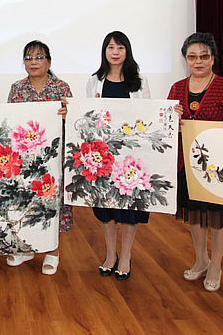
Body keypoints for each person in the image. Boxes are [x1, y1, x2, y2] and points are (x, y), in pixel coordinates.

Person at [168, 32, 223, 293]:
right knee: (194, 213)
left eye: (204, 56)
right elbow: (166, 125)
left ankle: (216, 265)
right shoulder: (177, 88)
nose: (198, 61)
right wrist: (172, 119)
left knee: (218, 215)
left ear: (213, 59)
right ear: (186, 60)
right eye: (192, 57)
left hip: (220, 166)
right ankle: (201, 260)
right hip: (187, 161)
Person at [86, 31, 151, 281]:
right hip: (103, 156)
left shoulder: (140, 81)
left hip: (131, 155)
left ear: (127, 51)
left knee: (129, 208)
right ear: (104, 51)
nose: (115, 52)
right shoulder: (95, 80)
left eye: (120, 48)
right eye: (111, 47)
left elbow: (147, 115)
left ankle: (126, 256)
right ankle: (110, 254)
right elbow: (90, 115)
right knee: (106, 207)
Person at [7, 40, 71, 275]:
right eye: (29, 58)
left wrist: (68, 114)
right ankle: (26, 248)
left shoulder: (61, 87)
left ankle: (52, 251)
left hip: (53, 157)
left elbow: (73, 120)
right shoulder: (17, 88)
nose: (33, 62)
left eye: (39, 57)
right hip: (26, 159)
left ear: (49, 62)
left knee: (52, 202)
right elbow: (11, 122)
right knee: (25, 200)